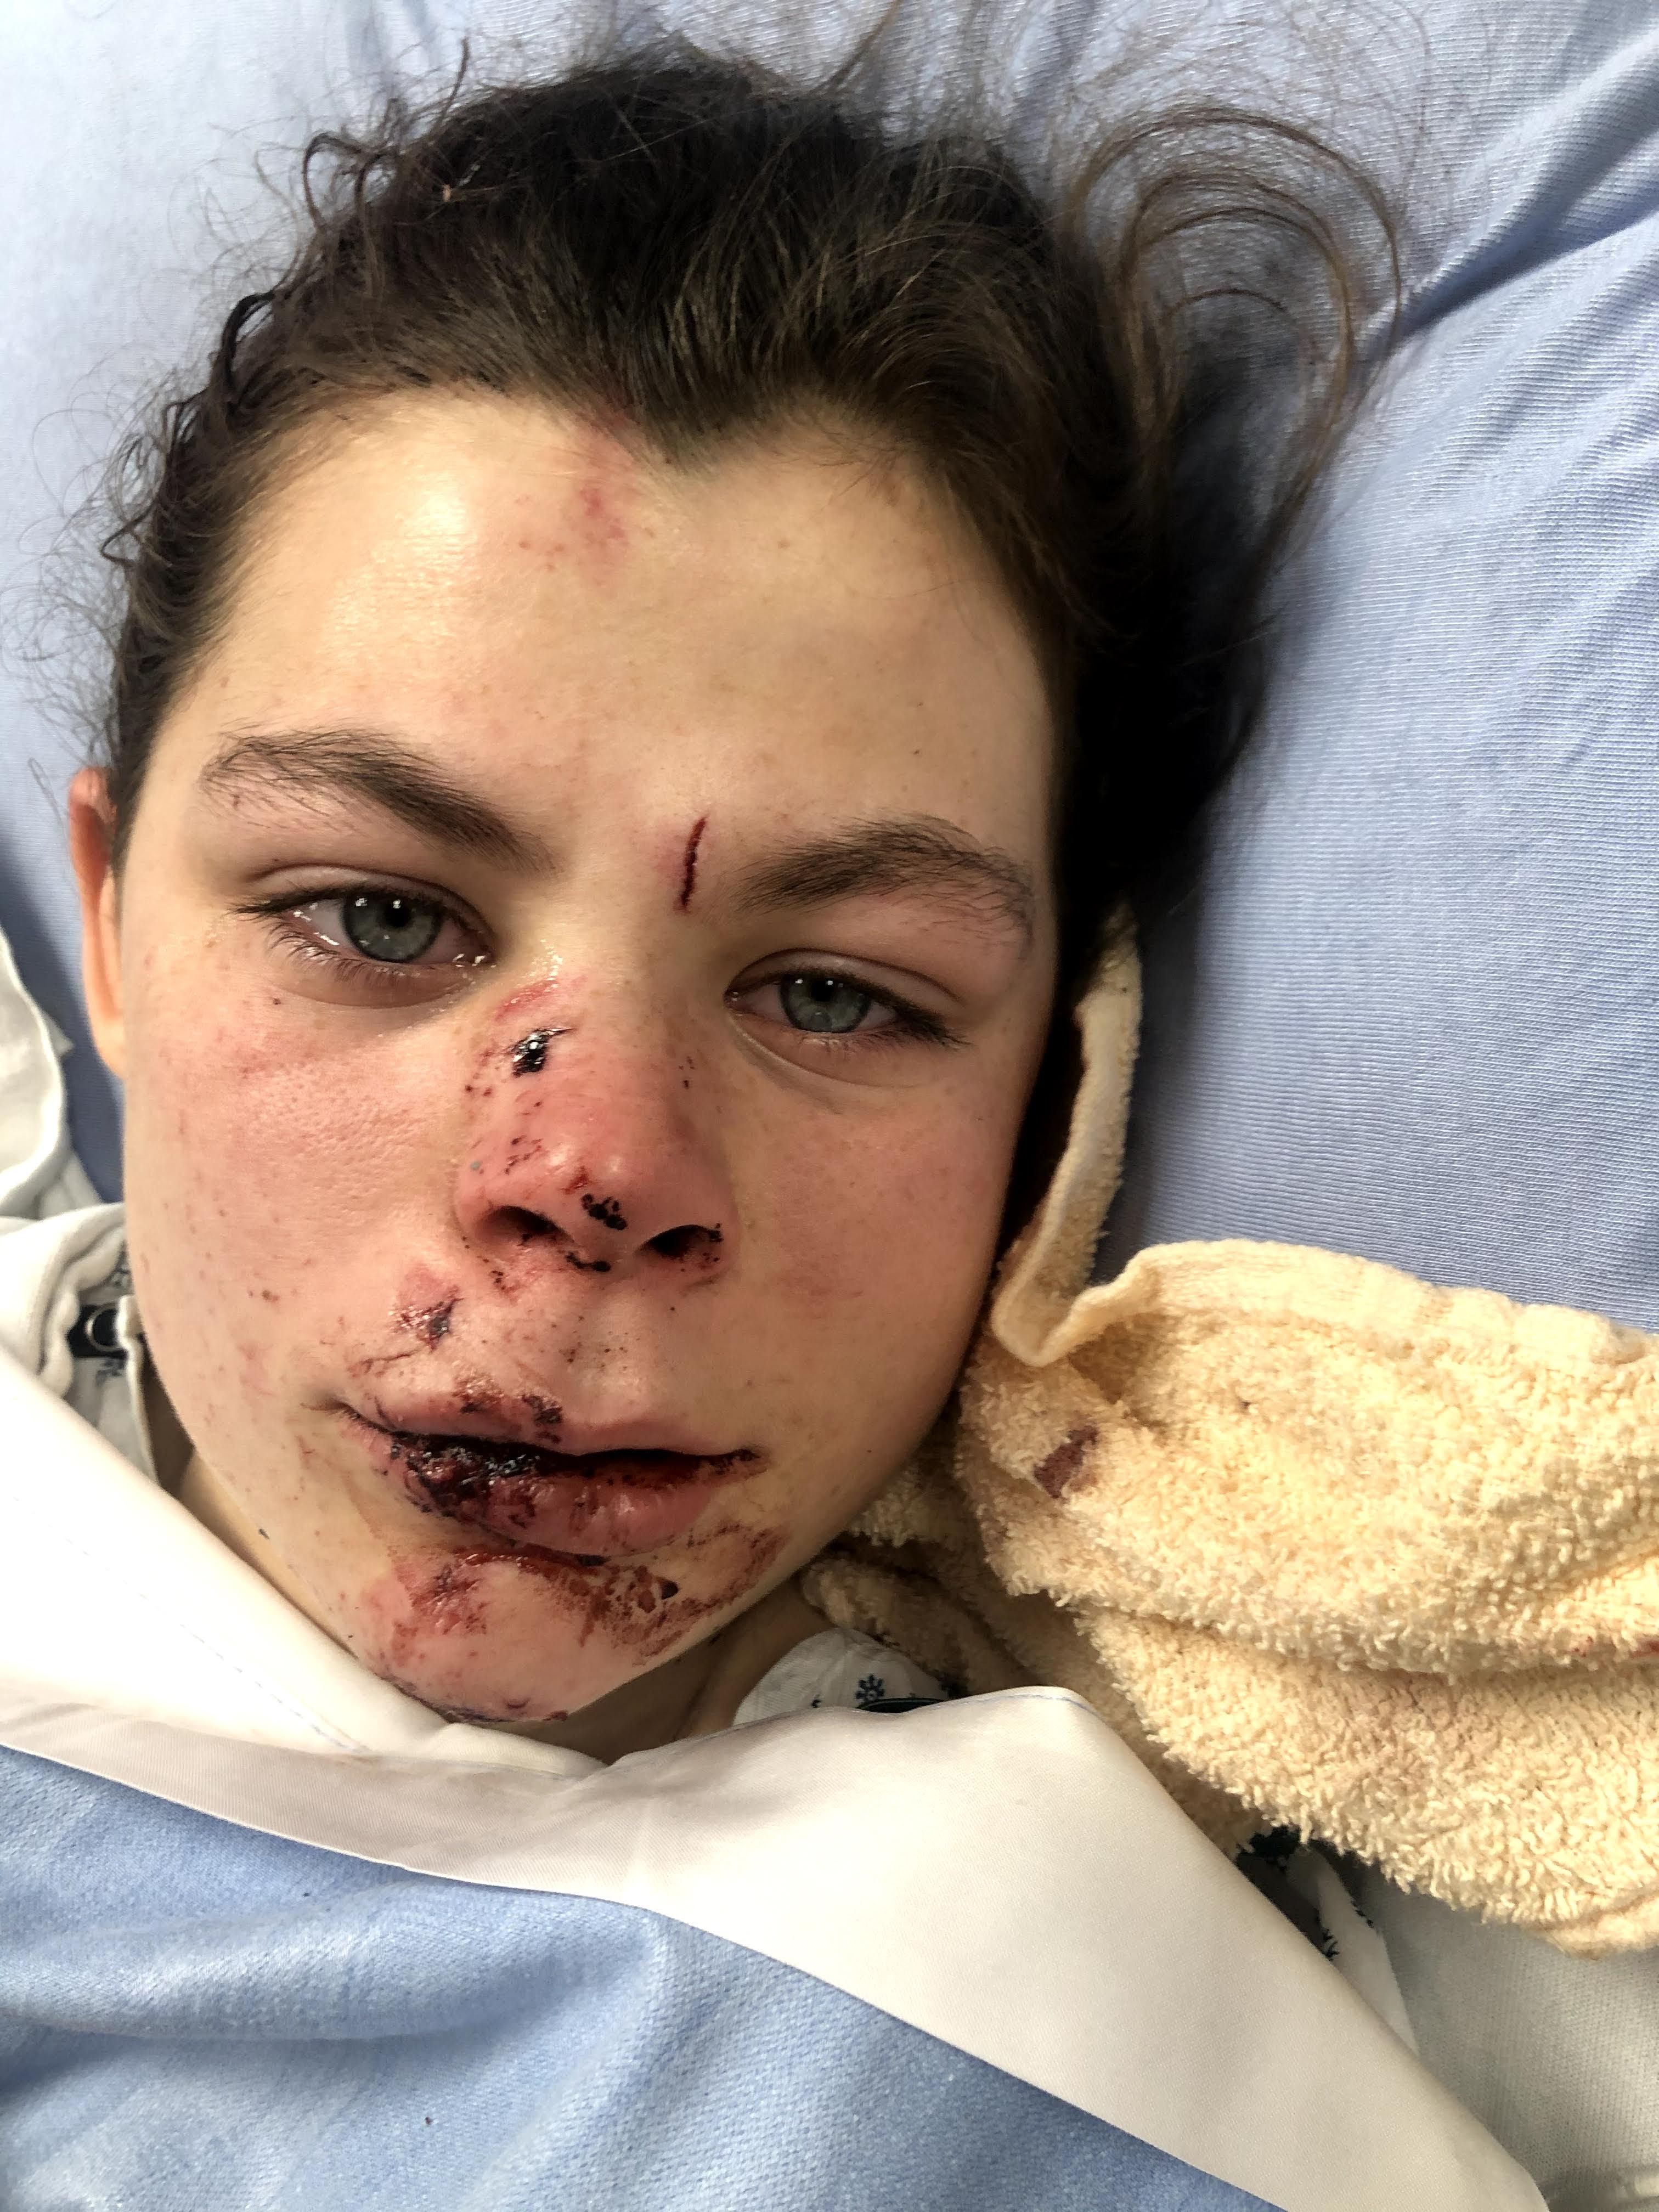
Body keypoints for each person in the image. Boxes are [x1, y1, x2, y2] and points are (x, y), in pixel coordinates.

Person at [4, 34, 1539, 2212]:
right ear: (107, 925)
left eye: (835, 993)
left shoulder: (1136, 2067)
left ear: (1057, 1099)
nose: (588, 1173)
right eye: (378, 915)